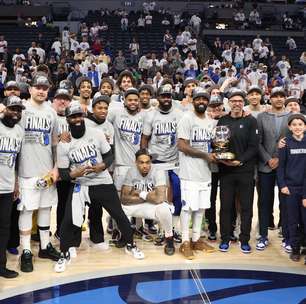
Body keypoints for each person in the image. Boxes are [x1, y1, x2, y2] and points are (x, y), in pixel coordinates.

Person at [55, 101, 144, 272]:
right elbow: (65, 174)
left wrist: (102, 166)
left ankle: (131, 244)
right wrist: (76, 174)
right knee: (68, 219)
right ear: (68, 119)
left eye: (79, 115)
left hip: (102, 181)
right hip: (80, 184)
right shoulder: (64, 144)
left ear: (83, 116)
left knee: (118, 214)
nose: (77, 119)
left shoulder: (96, 133)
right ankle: (64, 252)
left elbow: (109, 155)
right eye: (73, 117)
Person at [18, 74, 60, 273]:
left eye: (45, 87)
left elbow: (54, 144)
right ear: (30, 89)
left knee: (45, 209)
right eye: (38, 87)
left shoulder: (52, 113)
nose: (42, 90)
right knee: (27, 210)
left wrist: (56, 167)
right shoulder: (22, 109)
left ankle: (44, 246)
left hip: (46, 171)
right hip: (26, 170)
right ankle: (26, 250)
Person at [217, 89, 259, 253]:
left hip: (245, 171)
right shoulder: (223, 120)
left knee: (247, 207)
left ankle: (244, 240)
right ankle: (225, 239)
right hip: (226, 171)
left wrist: (240, 160)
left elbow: (254, 147)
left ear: (244, 103)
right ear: (229, 103)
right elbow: (220, 145)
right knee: (226, 207)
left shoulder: (251, 121)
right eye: (233, 101)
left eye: (240, 101)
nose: (237, 103)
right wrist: (223, 158)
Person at [141, 85, 183, 243]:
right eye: (163, 96)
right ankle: (162, 230)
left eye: (168, 96)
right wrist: (144, 160)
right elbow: (144, 138)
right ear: (157, 97)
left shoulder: (179, 114)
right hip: (157, 162)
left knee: (177, 197)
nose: (166, 99)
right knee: (160, 199)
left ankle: (174, 229)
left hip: (175, 162)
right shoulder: (150, 115)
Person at [177, 88, 216, 259]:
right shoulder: (186, 118)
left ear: (207, 102)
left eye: (204, 99)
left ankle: (196, 239)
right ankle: (185, 242)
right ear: (193, 101)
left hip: (205, 172)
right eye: (198, 99)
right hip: (189, 171)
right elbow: (182, 146)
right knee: (187, 208)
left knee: (200, 208)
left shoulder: (210, 120)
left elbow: (213, 145)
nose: (201, 101)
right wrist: (204, 155)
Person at [121, 149, 175, 255]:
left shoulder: (158, 171)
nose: (145, 166)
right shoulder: (131, 171)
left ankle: (169, 238)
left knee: (164, 209)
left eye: (147, 162)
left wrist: (139, 193)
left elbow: (160, 198)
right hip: (137, 205)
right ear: (136, 162)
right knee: (121, 208)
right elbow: (124, 198)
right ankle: (126, 238)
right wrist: (150, 195)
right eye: (141, 162)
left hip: (151, 206)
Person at [256, 87, 290, 251]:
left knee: (286, 203)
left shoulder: (292, 116)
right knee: (264, 202)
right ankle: (263, 235)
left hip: (286, 167)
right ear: (270, 98)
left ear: (285, 98)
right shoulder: (262, 117)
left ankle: (287, 235)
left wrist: (279, 158)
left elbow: (294, 140)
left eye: (281, 96)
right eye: (275, 96)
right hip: (266, 166)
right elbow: (258, 142)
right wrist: (269, 159)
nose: (278, 99)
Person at [0, 96, 25, 278]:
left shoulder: (19, 131)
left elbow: (16, 160)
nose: (15, 113)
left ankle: (1, 266)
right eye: (12, 109)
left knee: (4, 228)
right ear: (5, 109)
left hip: (7, 188)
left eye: (18, 110)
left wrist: (16, 182)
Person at [277, 114, 306, 263]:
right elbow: (280, 167)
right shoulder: (285, 143)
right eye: (294, 124)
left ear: (305, 126)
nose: (297, 127)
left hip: (305, 189)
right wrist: (282, 185)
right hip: (290, 189)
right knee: (292, 220)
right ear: (289, 127)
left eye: (300, 124)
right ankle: (295, 248)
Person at [51, 89, 72, 240]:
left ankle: (62, 231)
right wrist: (59, 137)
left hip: (70, 168)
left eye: (66, 99)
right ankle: (38, 234)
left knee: (67, 201)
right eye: (59, 99)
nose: (63, 102)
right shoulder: (49, 116)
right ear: (53, 101)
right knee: (47, 204)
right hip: (50, 167)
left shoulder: (74, 117)